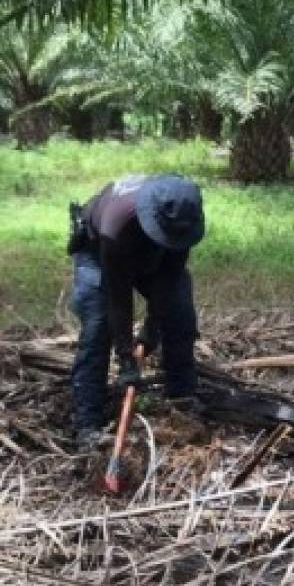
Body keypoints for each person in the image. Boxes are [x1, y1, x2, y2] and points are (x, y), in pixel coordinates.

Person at [66, 173, 205, 449]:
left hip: (153, 255)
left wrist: (153, 328)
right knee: (98, 324)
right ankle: (87, 423)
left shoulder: (185, 217)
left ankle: (181, 398)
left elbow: (171, 274)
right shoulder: (117, 226)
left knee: (179, 310)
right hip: (98, 254)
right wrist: (126, 357)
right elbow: (117, 296)